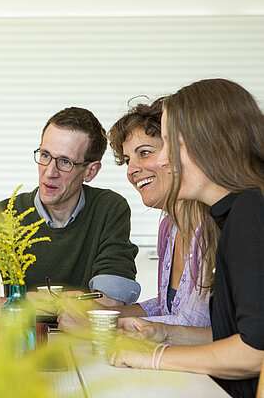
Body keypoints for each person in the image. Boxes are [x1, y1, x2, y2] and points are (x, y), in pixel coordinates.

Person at [107, 78, 264, 398]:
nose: (164, 160)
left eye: (172, 144)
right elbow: (234, 334)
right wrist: (162, 332)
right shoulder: (235, 214)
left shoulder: (251, 210)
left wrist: (151, 357)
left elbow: (255, 351)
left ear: (213, 141)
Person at [0, 107, 140, 320]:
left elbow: (111, 304)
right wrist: (18, 305)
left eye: (65, 162)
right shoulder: (5, 216)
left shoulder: (109, 209)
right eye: (45, 155)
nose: (50, 172)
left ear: (90, 171)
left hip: (83, 343)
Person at [58, 97, 210, 332]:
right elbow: (164, 308)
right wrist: (100, 312)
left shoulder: (214, 226)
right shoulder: (169, 228)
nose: (132, 169)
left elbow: (194, 324)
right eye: (128, 159)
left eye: (145, 153)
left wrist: (101, 324)